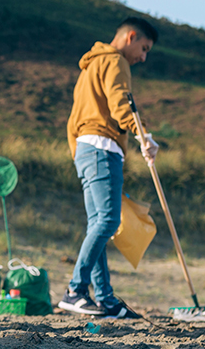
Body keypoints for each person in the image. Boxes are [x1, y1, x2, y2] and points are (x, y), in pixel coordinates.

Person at [58, 17, 159, 319]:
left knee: (98, 223)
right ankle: (75, 290)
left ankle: (105, 300)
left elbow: (74, 118)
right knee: (107, 221)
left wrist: (79, 152)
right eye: (144, 48)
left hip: (85, 149)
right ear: (131, 37)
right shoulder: (116, 61)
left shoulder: (90, 66)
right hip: (102, 147)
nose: (143, 57)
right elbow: (121, 105)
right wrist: (143, 135)